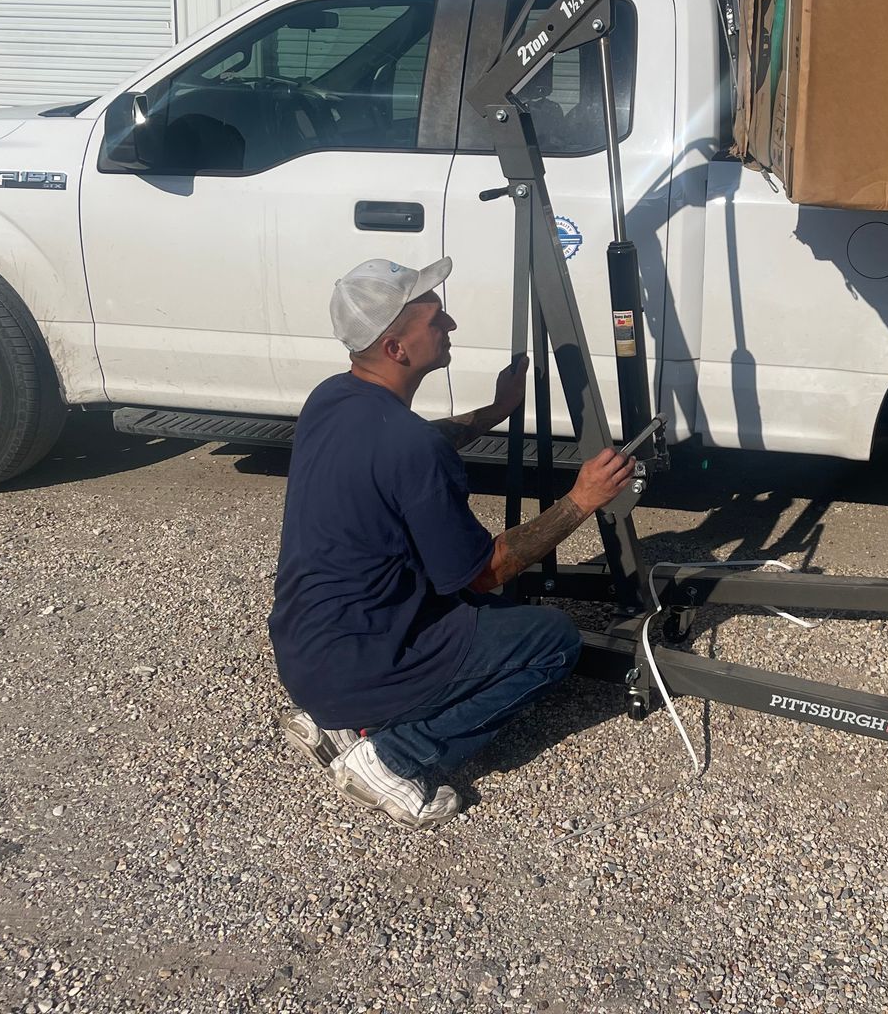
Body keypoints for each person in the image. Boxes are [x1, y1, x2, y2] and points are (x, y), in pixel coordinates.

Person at [268, 255, 635, 829]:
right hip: (362, 662)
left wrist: (497, 410)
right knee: (552, 639)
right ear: (396, 348)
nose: (451, 325)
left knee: (474, 608)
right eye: (435, 319)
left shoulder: (331, 398)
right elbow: (485, 571)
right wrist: (581, 500)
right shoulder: (409, 446)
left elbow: (420, 441)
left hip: (306, 651)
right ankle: (393, 756)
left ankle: (338, 723)